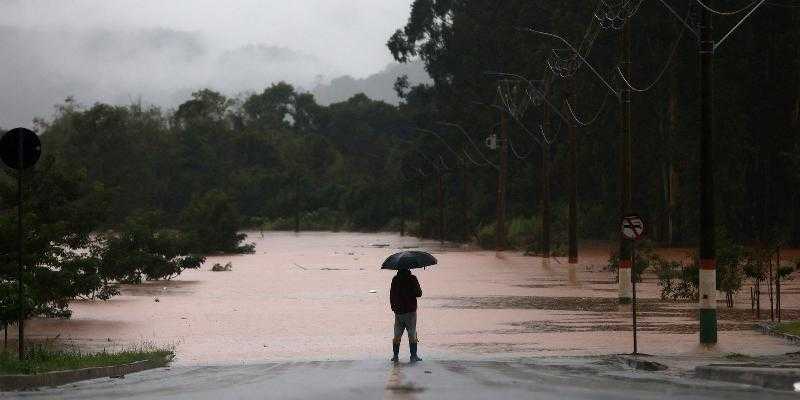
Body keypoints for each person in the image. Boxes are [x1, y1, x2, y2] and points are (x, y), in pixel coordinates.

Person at [390, 268, 423, 362]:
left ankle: (395, 356)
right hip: (410, 311)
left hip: (398, 312)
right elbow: (419, 293)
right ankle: (413, 356)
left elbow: (391, 294)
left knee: (397, 334)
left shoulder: (395, 279)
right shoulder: (412, 278)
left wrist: (394, 308)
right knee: (412, 333)